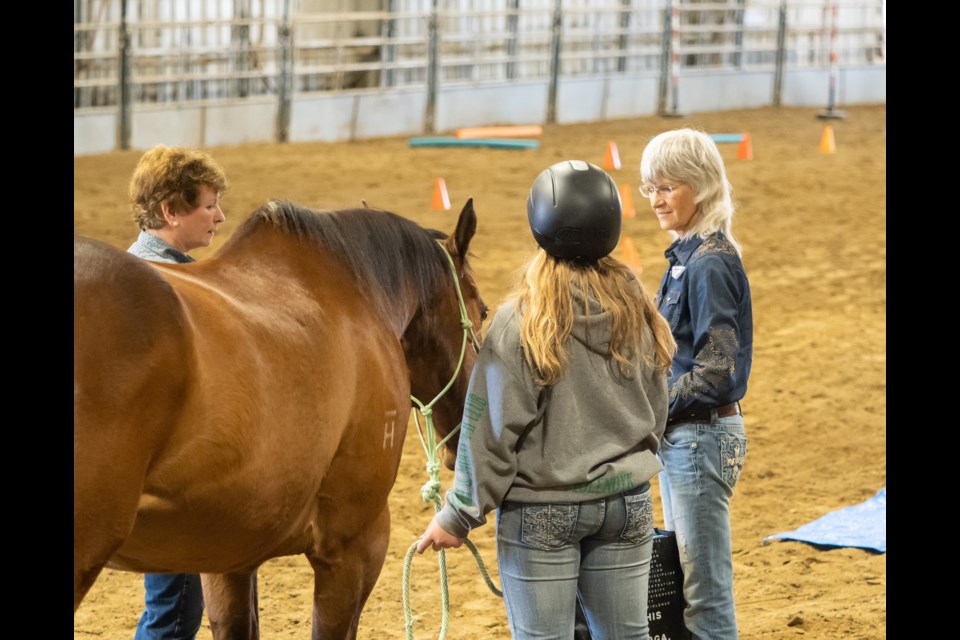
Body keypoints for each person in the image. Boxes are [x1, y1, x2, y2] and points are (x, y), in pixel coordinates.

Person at [416, 160, 676, 639]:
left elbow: (491, 430)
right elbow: (656, 408)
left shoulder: (522, 321)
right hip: (627, 503)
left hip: (543, 512)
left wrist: (457, 515)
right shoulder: (639, 309)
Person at [639, 128, 753, 640]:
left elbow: (717, 367)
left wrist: (651, 406)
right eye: (650, 188)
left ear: (701, 187)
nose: (657, 200)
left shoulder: (709, 263)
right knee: (693, 583)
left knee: (704, 592)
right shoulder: (688, 255)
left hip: (700, 437)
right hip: (686, 437)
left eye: (667, 187)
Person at [126, 144, 228, 640]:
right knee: (174, 611)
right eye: (208, 205)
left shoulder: (132, 271)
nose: (220, 216)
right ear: (171, 210)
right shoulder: (167, 284)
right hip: (170, 470)